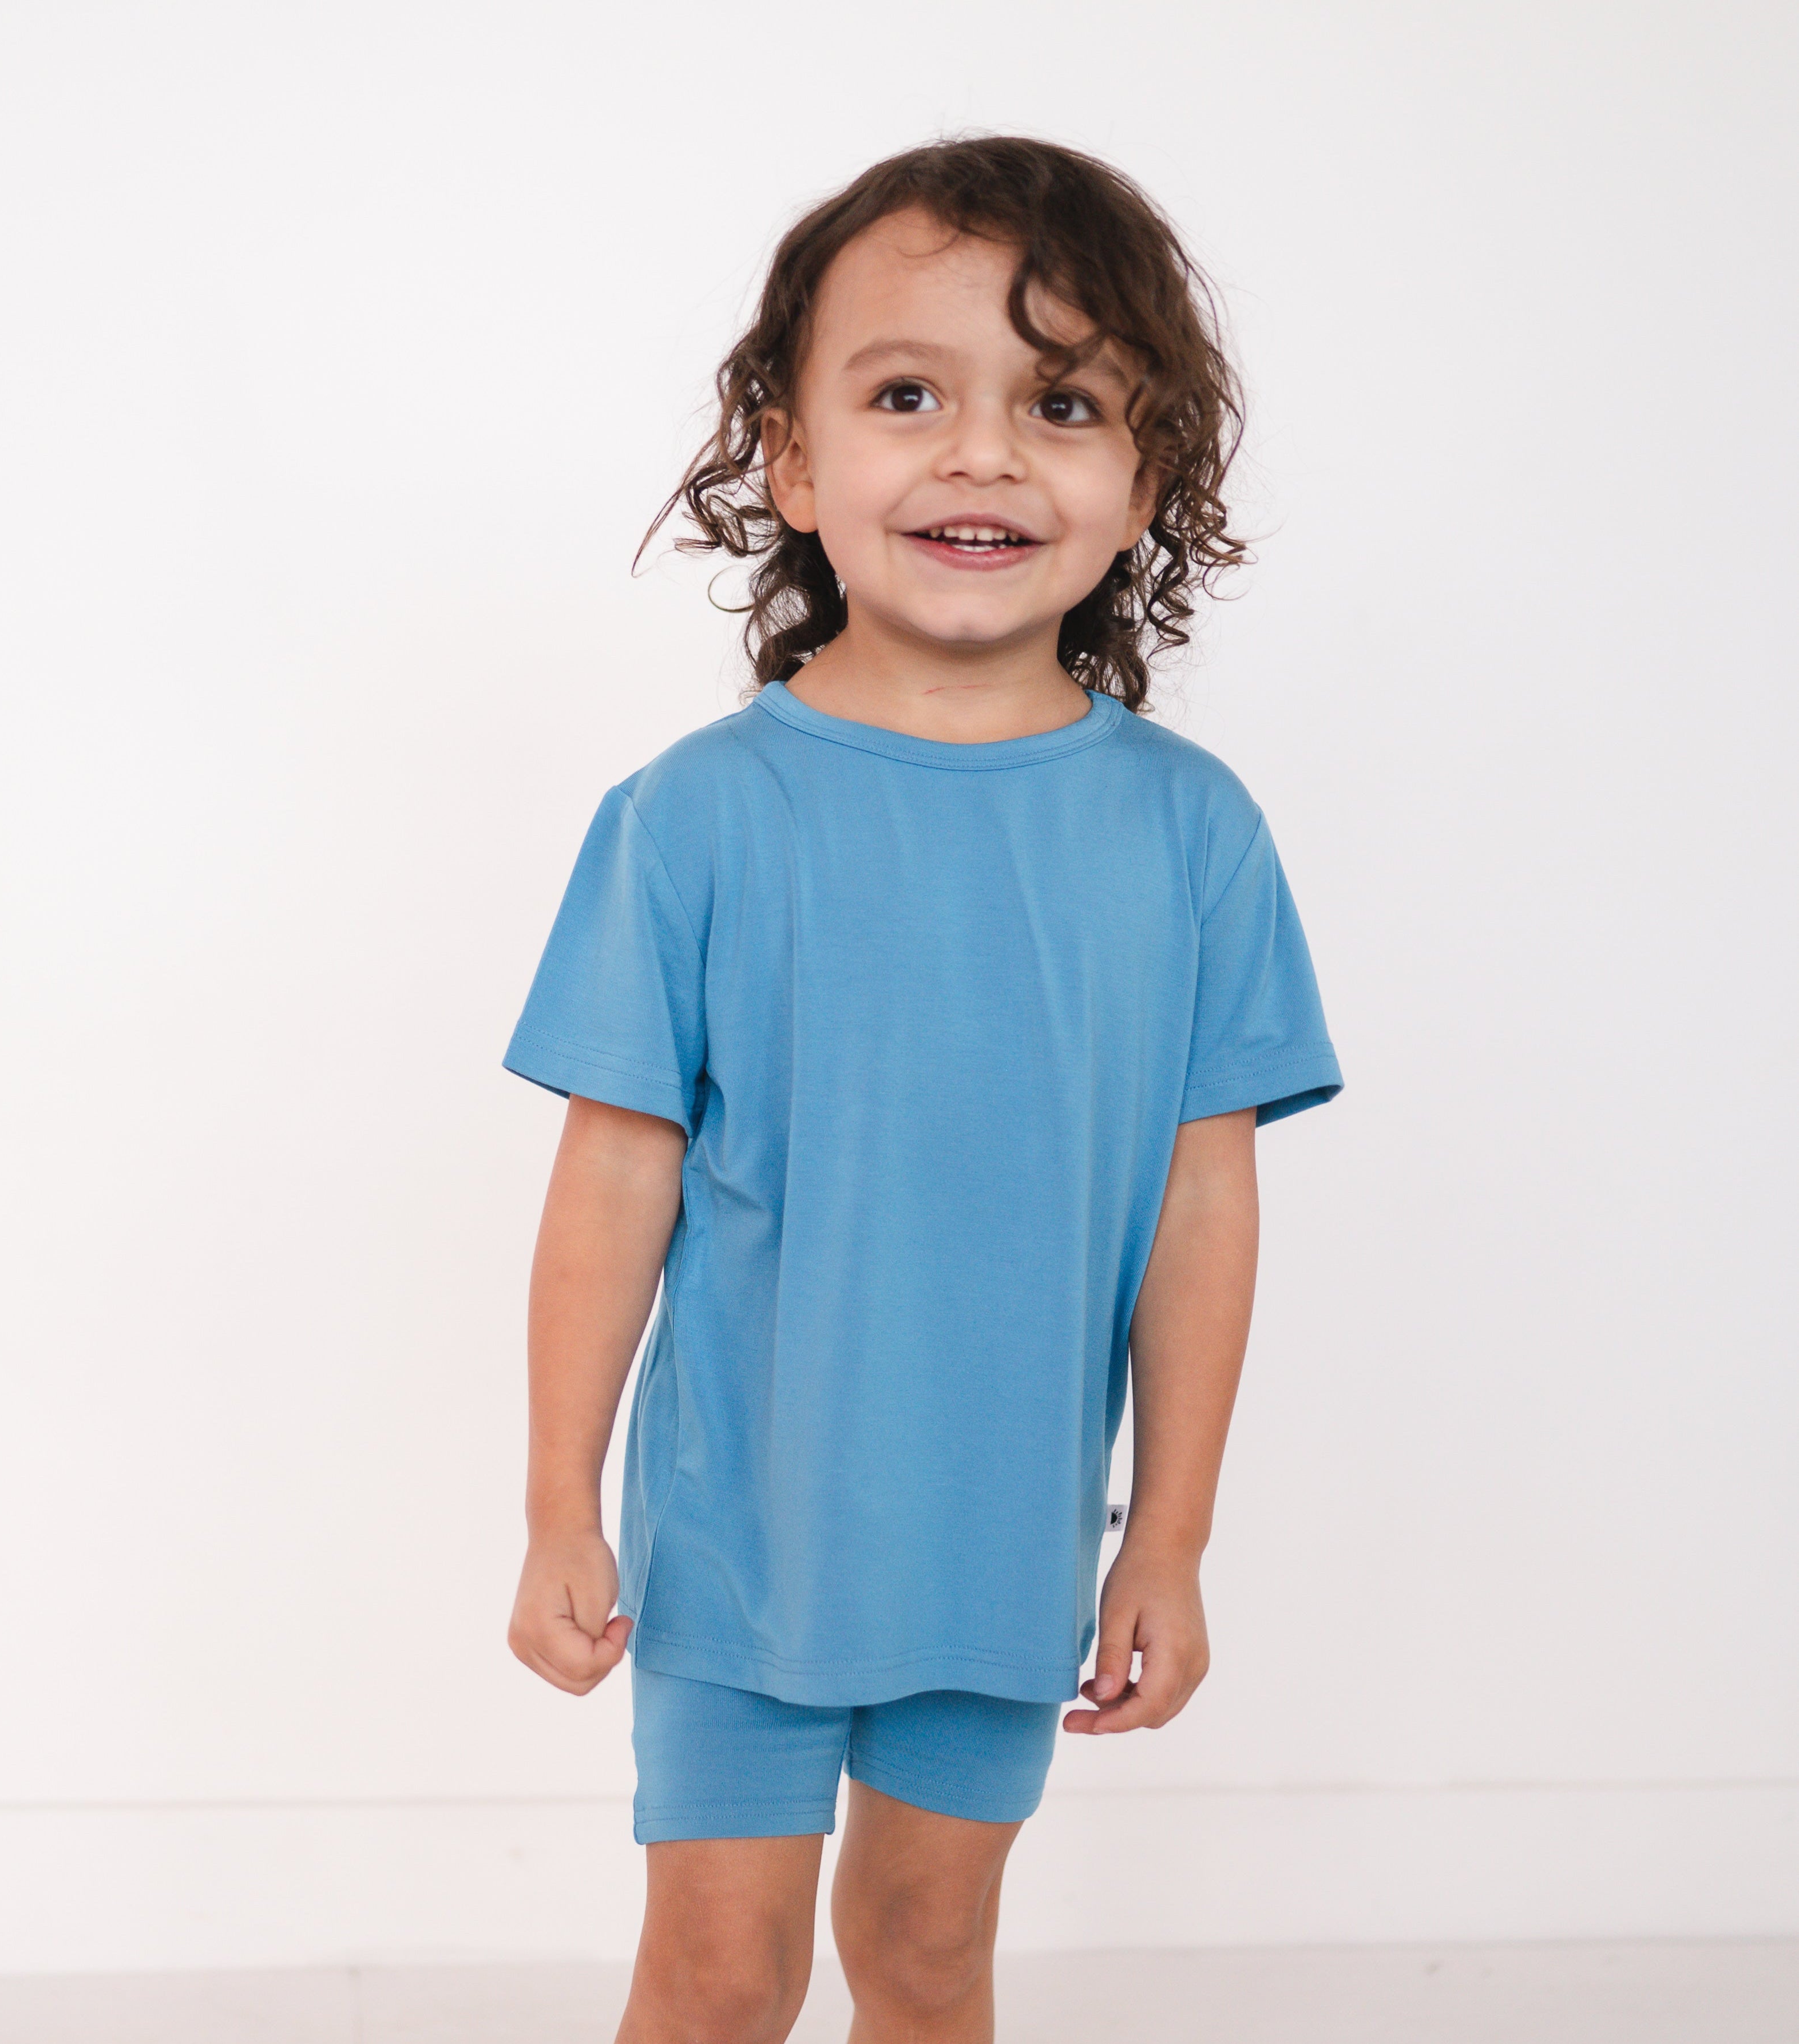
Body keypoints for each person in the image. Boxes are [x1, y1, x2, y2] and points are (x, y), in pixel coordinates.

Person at [500, 134, 1344, 2044]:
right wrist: (561, 1500)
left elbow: (1199, 1208)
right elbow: (612, 1178)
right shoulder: (695, 818)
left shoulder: (1189, 836)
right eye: (905, 396)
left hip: (997, 1535)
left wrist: (1169, 1535)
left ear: (1145, 482)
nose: (980, 456)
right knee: (715, 1981)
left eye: (1058, 403)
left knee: (930, 1956)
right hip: (734, 1531)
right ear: (793, 465)